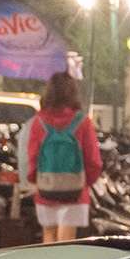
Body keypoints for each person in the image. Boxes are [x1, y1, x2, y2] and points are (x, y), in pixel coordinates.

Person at [27, 71, 101, 243]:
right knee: (66, 242)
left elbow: (32, 156)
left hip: (46, 188)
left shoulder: (38, 122)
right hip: (75, 192)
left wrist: (35, 178)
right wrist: (85, 182)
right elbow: (93, 161)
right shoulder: (83, 122)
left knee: (49, 235)